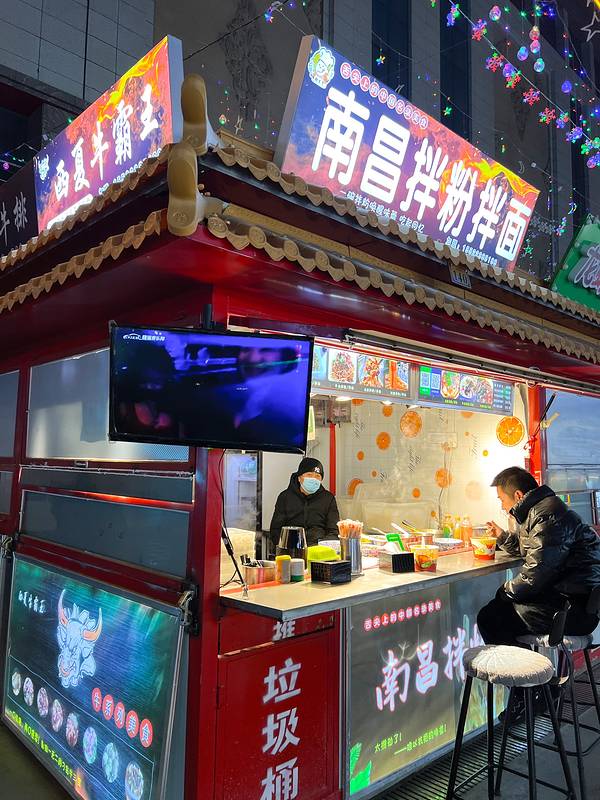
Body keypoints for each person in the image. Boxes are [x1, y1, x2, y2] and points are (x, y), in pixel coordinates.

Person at [477, 466, 600, 647]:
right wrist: (502, 536)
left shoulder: (547, 515)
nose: (502, 506)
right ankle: (523, 663)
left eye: (502, 500)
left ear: (518, 495)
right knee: (497, 611)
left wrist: (504, 591)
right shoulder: (544, 510)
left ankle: (522, 665)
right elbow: (536, 550)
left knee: (491, 617)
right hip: (574, 602)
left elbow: (536, 574)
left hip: (573, 610)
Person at [270, 457, 340, 551]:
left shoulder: (328, 498)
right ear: (299, 478)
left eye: (317, 476)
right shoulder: (285, 497)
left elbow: (333, 531)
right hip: (290, 550)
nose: (313, 479)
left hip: (318, 551)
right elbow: (275, 530)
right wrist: (288, 547)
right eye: (309, 475)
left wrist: (321, 548)